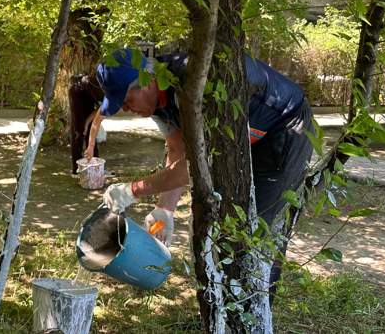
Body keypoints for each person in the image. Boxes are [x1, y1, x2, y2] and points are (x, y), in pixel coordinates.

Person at [97, 48, 313, 293]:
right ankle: (225, 303)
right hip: (240, 137)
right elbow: (178, 149)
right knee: (224, 218)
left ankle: (254, 309)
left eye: (126, 100)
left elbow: (198, 165)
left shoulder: (196, 86)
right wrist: (164, 208)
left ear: (147, 80)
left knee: (255, 229)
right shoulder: (159, 100)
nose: (125, 109)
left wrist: (133, 190)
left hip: (284, 128)